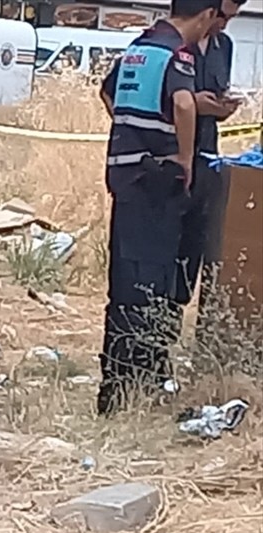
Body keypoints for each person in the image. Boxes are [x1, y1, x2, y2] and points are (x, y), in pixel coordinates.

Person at [94, 0, 222, 416]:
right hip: (156, 181)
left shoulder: (139, 47)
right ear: (206, 15)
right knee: (151, 284)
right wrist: (183, 157)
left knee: (125, 284)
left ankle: (116, 387)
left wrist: (132, 129)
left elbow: (107, 92)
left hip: (126, 176)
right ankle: (139, 386)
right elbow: (183, 103)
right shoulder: (176, 53)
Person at [177, 0, 243, 321]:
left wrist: (223, 108)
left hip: (207, 160)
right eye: (222, 16)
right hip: (172, 160)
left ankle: (177, 317)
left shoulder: (224, 47)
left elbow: (216, 100)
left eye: (231, 18)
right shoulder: (174, 43)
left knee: (195, 248)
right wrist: (192, 105)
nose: (223, 24)